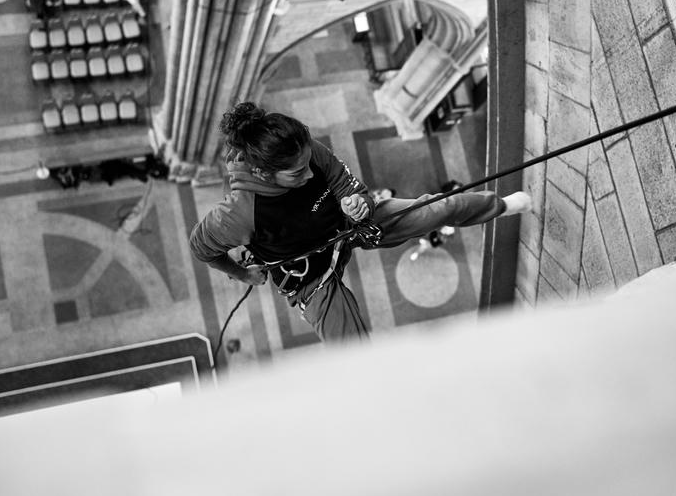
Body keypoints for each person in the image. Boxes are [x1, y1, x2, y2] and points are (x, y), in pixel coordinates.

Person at [189, 102, 532, 342]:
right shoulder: (236, 214)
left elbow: (342, 181)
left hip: (348, 226)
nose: (310, 174)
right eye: (297, 172)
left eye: (309, 162)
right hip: (310, 276)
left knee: (440, 208)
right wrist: (242, 272)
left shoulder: (303, 149)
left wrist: (357, 201)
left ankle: (500, 206)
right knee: (350, 348)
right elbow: (200, 248)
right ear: (264, 172)